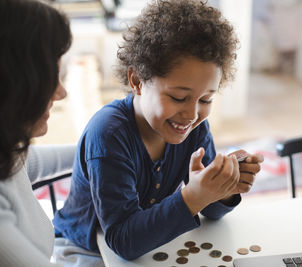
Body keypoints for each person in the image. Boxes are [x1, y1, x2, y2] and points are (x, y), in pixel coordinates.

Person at [53, 0, 264, 262]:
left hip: (148, 244)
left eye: (206, 99)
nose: (192, 113)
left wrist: (223, 188)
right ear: (137, 81)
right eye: (178, 97)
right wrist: (191, 198)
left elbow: (208, 209)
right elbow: (123, 241)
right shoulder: (108, 133)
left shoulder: (194, 129)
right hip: (86, 250)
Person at [0, 0, 74, 266]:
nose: (61, 92)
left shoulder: (6, 152)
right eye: (50, 76)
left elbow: (29, 163)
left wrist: (101, 145)